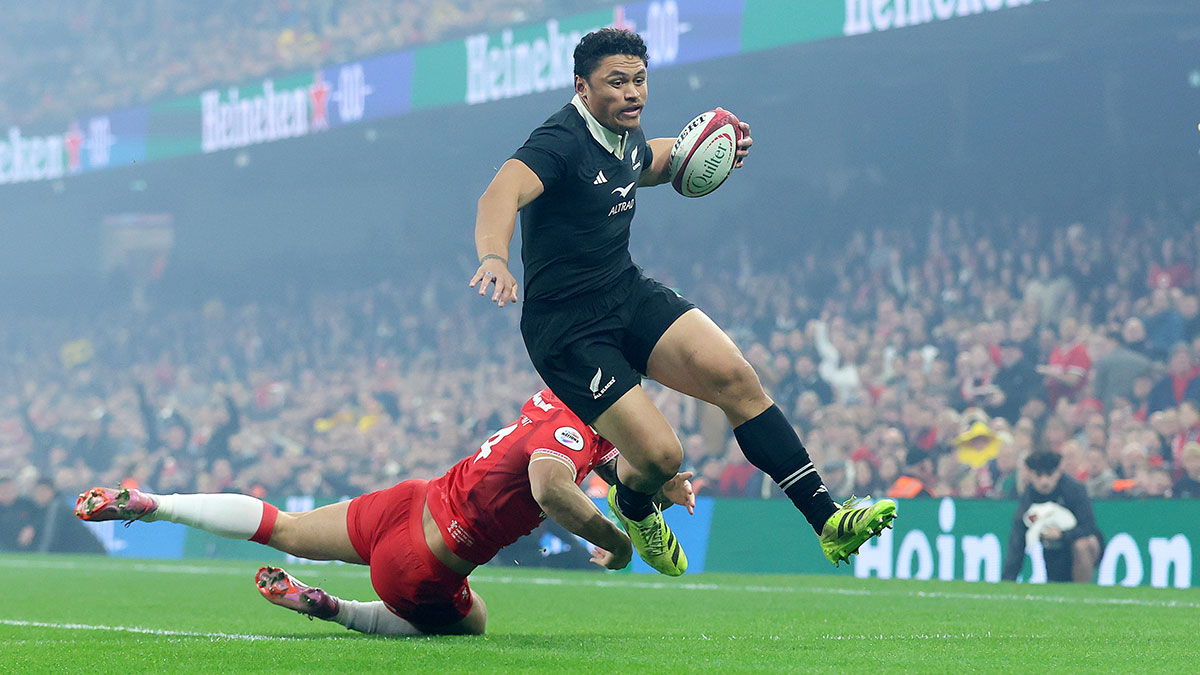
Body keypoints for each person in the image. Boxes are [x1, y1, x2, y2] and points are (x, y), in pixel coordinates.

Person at [468, 27, 894, 573]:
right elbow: (501, 191)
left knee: (736, 377)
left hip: (625, 291)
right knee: (663, 457)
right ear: (581, 86)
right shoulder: (559, 142)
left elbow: (649, 160)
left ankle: (827, 520)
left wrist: (710, 147)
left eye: (639, 81)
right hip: (568, 331)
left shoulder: (624, 133)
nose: (631, 93)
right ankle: (632, 501)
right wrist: (494, 258)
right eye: (615, 82)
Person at [76, 389, 695, 636]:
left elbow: (612, 463)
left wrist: (665, 487)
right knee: (474, 622)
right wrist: (614, 542)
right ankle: (334, 608)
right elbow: (551, 485)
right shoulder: (573, 431)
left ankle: (156, 503)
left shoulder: (564, 398)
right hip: (426, 561)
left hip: (406, 501)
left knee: (284, 528)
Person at [1001, 451, 1104, 584]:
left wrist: (1061, 534)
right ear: (1030, 474)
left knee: (1082, 545)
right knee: (1058, 582)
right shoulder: (1029, 497)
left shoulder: (1074, 489)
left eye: (1049, 475)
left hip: (1078, 543)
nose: (1044, 481)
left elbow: (1088, 526)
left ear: (1058, 473)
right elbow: (1018, 539)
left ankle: (1082, 589)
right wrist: (1008, 579)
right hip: (1053, 548)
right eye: (1038, 475)